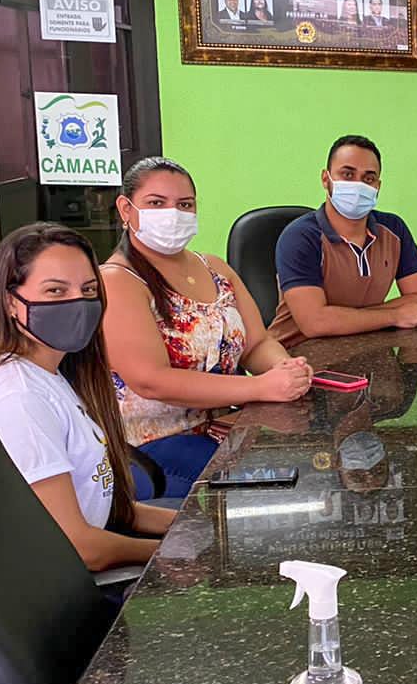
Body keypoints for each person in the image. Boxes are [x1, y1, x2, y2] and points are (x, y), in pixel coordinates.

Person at [0, 223, 174, 572]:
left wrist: (191, 527)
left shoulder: (53, 373)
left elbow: (103, 509)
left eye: (88, 290)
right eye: (55, 291)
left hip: (92, 552)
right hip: (62, 587)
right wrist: (173, 553)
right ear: (11, 302)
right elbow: (80, 548)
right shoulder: (18, 396)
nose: (77, 303)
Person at [100, 157, 312, 499]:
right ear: (126, 209)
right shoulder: (118, 281)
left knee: (307, 465)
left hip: (224, 426)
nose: (173, 214)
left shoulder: (214, 267)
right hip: (152, 447)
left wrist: (286, 369)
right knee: (274, 490)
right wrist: (260, 387)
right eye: (157, 203)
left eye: (185, 204)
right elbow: (151, 380)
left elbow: (257, 344)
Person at [270, 135, 417, 347]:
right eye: (347, 174)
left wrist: (345, 318)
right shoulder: (301, 237)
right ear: (325, 179)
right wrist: (394, 315)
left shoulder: (393, 230)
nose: (358, 185)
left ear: (378, 186)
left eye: (368, 178)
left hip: (366, 348)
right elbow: (315, 323)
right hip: (297, 356)